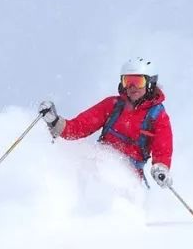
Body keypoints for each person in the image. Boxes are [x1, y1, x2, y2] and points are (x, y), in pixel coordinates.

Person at [39, 57, 173, 187]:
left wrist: (161, 168)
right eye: (128, 81)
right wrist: (55, 122)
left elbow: (162, 149)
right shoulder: (113, 105)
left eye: (138, 82)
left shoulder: (157, 116)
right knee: (71, 171)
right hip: (100, 160)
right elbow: (79, 128)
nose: (132, 87)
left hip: (128, 175)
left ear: (150, 83)